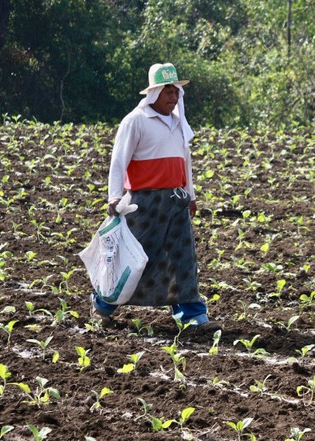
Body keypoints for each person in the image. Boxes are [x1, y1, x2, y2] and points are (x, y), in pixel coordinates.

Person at [90, 62, 221, 334]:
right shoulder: (135, 121)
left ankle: (191, 314)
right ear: (154, 93)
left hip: (175, 199)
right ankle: (102, 305)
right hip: (143, 202)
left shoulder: (177, 123)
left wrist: (191, 195)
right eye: (168, 92)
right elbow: (118, 162)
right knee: (134, 256)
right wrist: (114, 196)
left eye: (176, 92)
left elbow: (184, 161)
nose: (174, 97)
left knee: (183, 256)